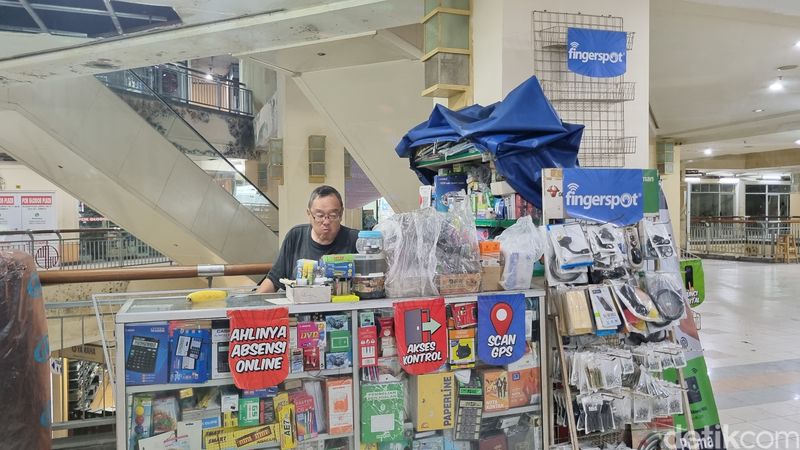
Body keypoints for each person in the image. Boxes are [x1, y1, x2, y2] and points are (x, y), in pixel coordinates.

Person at [256, 185, 358, 293]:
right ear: (309, 214)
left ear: (341, 214)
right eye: (319, 215)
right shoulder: (295, 236)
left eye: (333, 215)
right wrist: (254, 305)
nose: (326, 221)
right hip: (301, 307)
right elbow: (273, 280)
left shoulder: (355, 240)